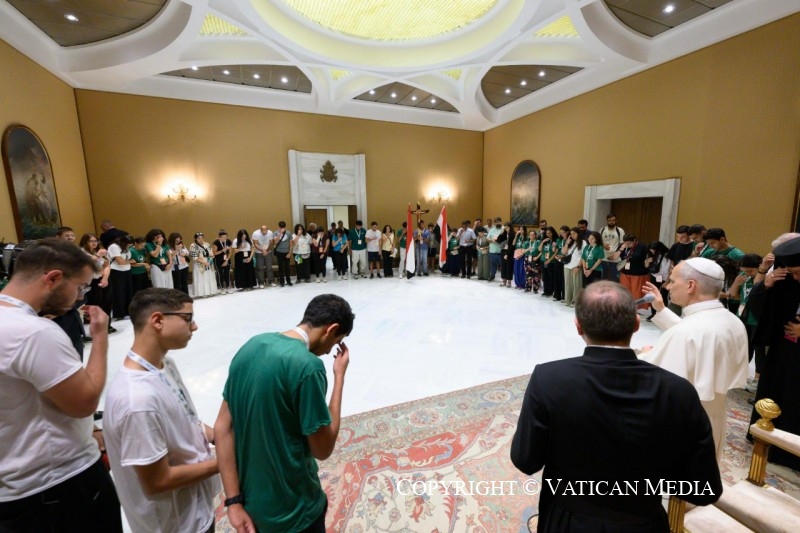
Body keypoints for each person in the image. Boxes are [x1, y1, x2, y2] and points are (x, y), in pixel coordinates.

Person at [511, 281, 721, 533]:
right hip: (643, 522)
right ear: (636, 323)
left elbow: (526, 460)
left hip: (569, 520)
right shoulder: (679, 391)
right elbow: (704, 490)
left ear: (578, 326)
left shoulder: (548, 379)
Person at [0, 238, 122, 531]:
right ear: (53, 278)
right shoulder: (33, 332)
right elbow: (84, 402)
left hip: (13, 486)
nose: (80, 297)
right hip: (58, 484)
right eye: (80, 287)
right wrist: (100, 337)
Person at [215, 294, 355, 533]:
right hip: (295, 511)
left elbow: (222, 428)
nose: (329, 351)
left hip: (252, 506)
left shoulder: (252, 345)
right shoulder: (307, 366)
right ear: (331, 329)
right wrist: (339, 376)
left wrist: (233, 501)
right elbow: (323, 449)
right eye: (336, 341)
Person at [103, 288, 219, 533]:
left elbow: (186, 419)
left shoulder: (164, 364)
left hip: (196, 509)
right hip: (174, 524)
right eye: (188, 318)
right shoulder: (137, 400)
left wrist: (219, 435)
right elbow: (157, 481)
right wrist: (226, 461)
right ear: (157, 320)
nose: (194, 326)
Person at [640, 258, 749, 459]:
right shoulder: (732, 321)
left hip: (682, 424)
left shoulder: (687, 332)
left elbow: (656, 381)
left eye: (673, 281)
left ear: (691, 285)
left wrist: (642, 354)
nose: (668, 286)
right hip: (713, 417)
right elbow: (699, 339)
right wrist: (661, 310)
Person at [746, 236, 800, 469]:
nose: (794, 277)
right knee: (776, 389)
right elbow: (759, 308)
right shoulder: (785, 279)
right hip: (784, 349)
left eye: (797, 272)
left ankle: (790, 452)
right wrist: (765, 284)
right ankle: (765, 437)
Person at [189, 232, 217, 298]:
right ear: (195, 239)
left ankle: (211, 291)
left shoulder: (207, 244)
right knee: (201, 278)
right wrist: (204, 263)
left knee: (209, 277)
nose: (201, 240)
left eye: (202, 238)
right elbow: (195, 258)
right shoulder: (193, 246)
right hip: (199, 264)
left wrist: (209, 261)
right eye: (199, 238)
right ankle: (202, 293)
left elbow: (211, 254)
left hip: (209, 263)